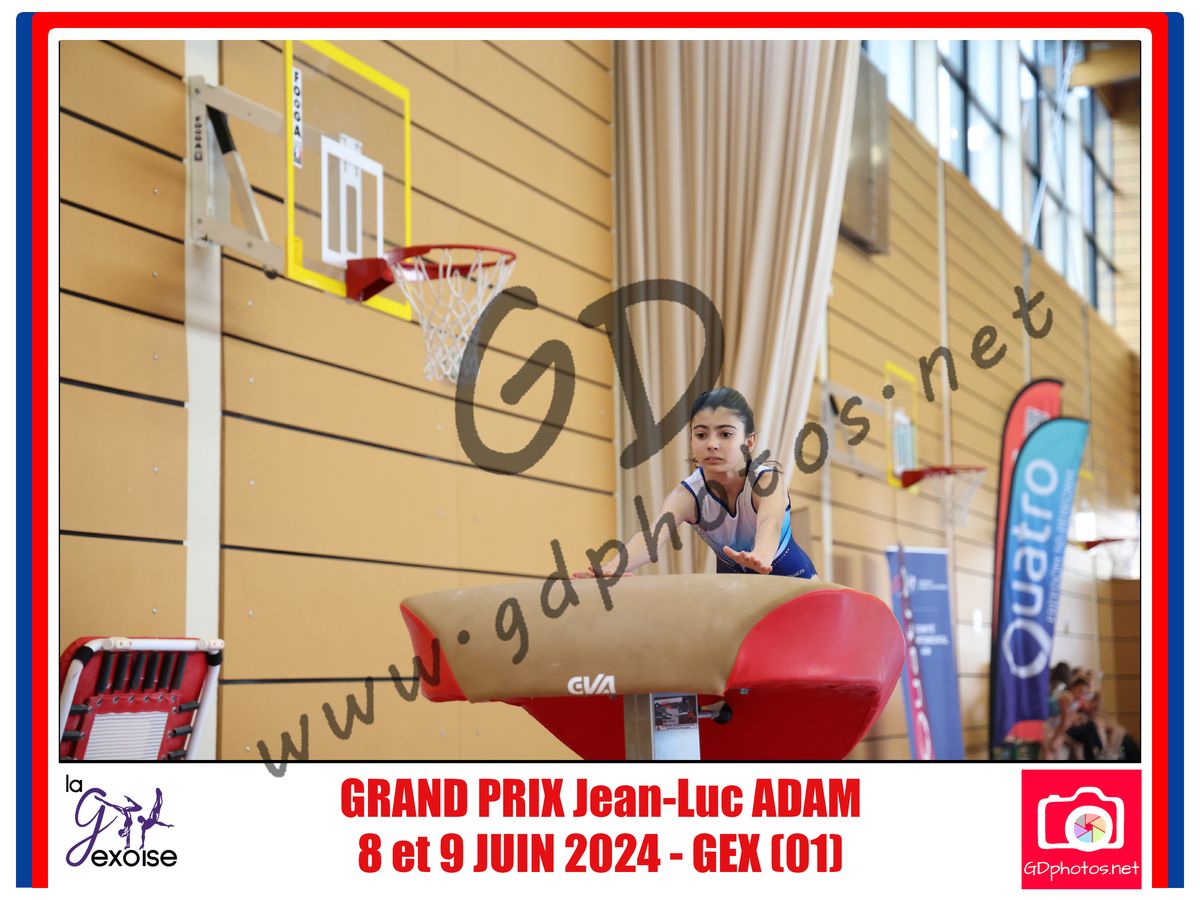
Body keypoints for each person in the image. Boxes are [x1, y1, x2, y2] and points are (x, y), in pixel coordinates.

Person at [574, 387, 818, 579]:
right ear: (691, 439)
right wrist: (613, 567)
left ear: (749, 441)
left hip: (795, 580)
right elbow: (652, 537)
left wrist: (761, 554)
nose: (711, 444)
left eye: (725, 434)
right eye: (701, 434)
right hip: (736, 592)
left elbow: (770, 522)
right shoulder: (688, 495)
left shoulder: (766, 481)